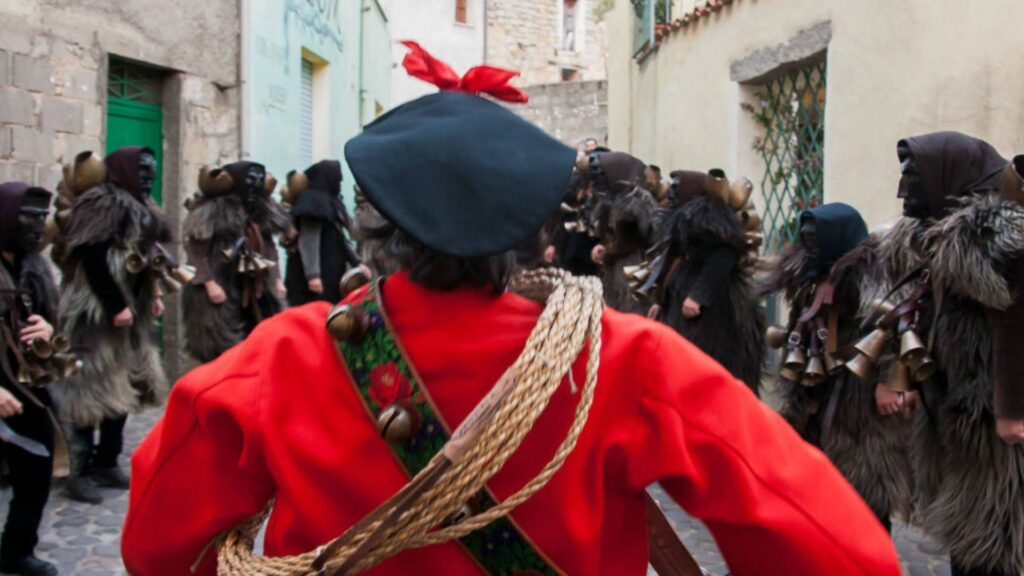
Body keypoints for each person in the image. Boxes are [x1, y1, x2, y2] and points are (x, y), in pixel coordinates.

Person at [122, 43, 900, 576]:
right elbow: (837, 547)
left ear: (373, 223)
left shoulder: (281, 357)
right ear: (534, 234)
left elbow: (156, 542)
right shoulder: (626, 361)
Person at [878, 131, 1024, 576]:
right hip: (951, 406)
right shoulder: (936, 239)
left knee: (990, 536)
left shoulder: (996, 239)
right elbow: (921, 316)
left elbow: (1015, 323)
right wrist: (909, 380)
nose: (907, 188)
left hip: (990, 414)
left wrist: (1012, 409)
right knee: (966, 534)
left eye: (916, 177)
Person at [762, 203, 913, 532]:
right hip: (816, 392)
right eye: (806, 238)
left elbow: (896, 327)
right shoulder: (810, 273)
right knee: (815, 485)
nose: (809, 245)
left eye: (816, 238)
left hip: (862, 397)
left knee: (867, 492)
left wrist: (891, 380)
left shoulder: (873, 274)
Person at [56, 146, 170, 505]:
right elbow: (91, 257)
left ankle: (107, 461)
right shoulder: (102, 202)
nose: (149, 177)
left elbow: (146, 258)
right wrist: (114, 304)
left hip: (130, 314)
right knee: (89, 391)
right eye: (143, 170)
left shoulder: (144, 206)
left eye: (152, 171)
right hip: (95, 316)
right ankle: (79, 471)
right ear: (123, 170)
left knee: (124, 388)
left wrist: (151, 293)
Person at [646, 169, 765, 392]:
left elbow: (724, 254)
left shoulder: (707, 216)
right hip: (682, 297)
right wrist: (659, 302)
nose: (670, 190)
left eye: (676, 186)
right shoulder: (680, 215)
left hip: (712, 309)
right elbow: (670, 259)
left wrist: (698, 295)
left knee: (709, 363)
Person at [0, 182, 60, 576]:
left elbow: (53, 325)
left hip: (27, 391)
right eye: (29, 217)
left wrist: (48, 331)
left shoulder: (35, 268)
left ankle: (15, 552)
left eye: (43, 217)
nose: (38, 226)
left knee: (36, 473)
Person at [182, 161, 291, 363]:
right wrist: (209, 283)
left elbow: (270, 249)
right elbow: (196, 251)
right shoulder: (214, 211)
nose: (255, 185)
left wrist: (276, 280)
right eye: (250, 179)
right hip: (219, 286)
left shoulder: (260, 211)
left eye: (259, 180)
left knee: (260, 336)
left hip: (254, 287)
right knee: (219, 348)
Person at [583, 150, 661, 314]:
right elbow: (611, 234)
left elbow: (651, 238)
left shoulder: (638, 200)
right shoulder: (610, 199)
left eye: (601, 173)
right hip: (614, 273)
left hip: (634, 275)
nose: (597, 179)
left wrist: (612, 250)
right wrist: (602, 247)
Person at [284, 159, 360, 306]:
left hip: (332, 271)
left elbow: (339, 237)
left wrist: (356, 262)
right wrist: (313, 275)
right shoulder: (312, 202)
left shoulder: (331, 201)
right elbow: (308, 240)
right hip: (315, 277)